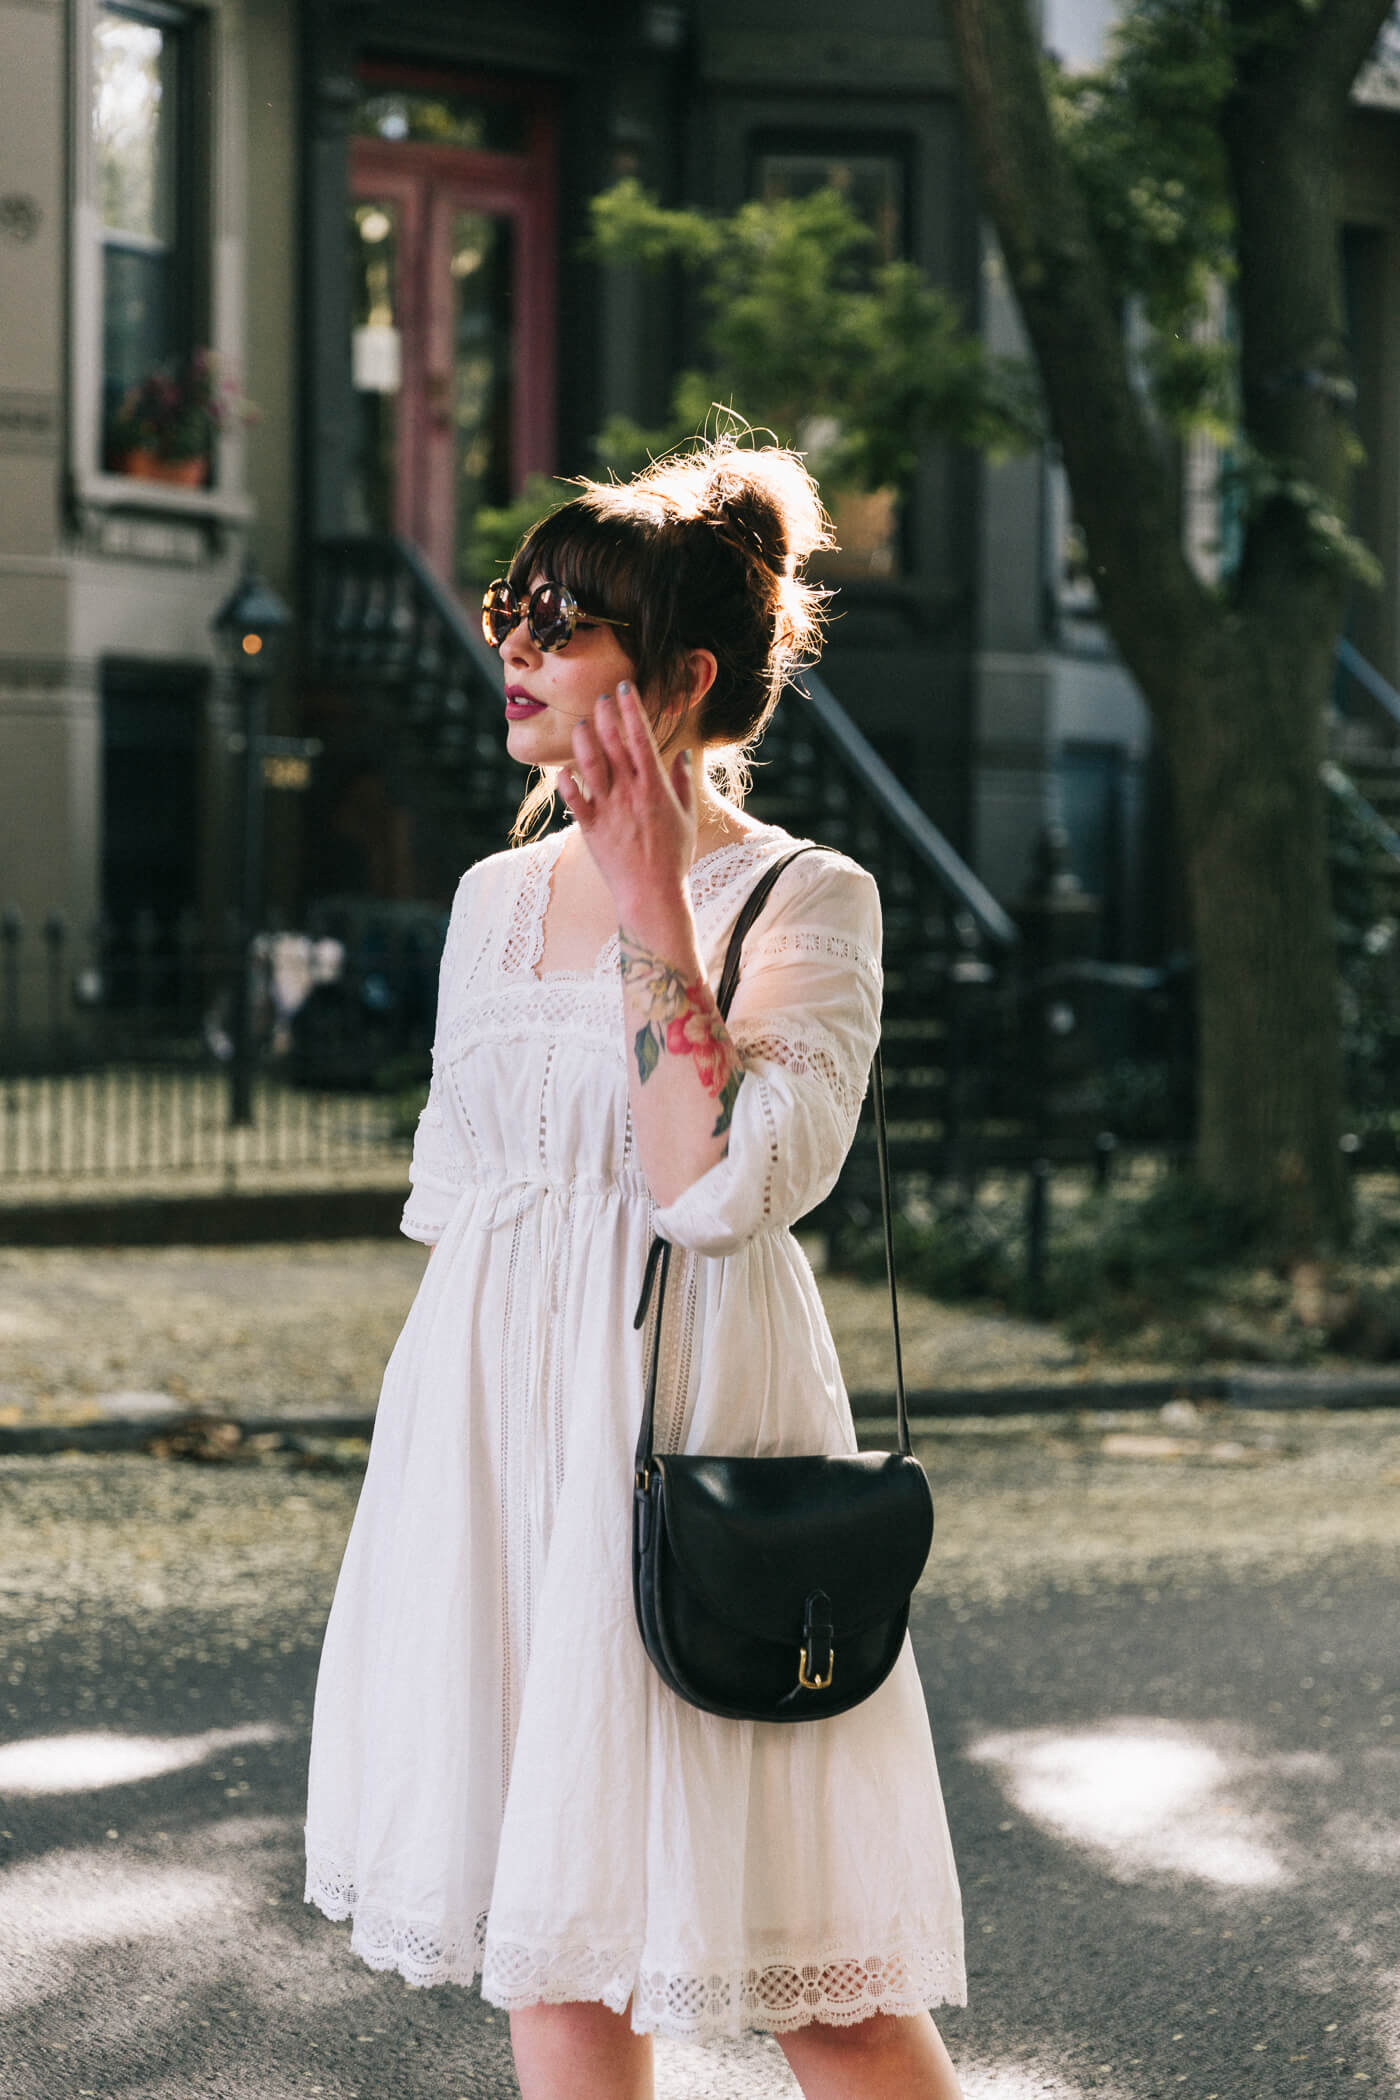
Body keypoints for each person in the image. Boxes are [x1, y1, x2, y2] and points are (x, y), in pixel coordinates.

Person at [303, 439, 966, 2100]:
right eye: (515, 609)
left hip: (694, 1426)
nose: (516, 645)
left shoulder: (810, 899)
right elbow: (468, 1203)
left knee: (824, 1980)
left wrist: (660, 899)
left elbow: (721, 1192)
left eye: (565, 621)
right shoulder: (487, 899)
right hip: (493, 1437)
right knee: (557, 1955)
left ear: (677, 677)